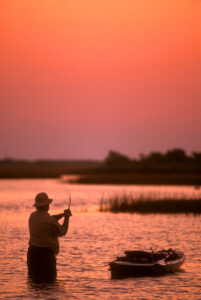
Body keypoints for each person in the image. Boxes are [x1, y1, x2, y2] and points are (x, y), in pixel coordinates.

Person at [27, 192, 72, 282]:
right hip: (46, 256)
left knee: (33, 282)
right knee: (49, 282)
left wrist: (62, 215)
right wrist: (67, 218)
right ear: (47, 205)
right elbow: (62, 232)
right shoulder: (50, 221)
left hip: (32, 253)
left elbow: (49, 219)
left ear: (37, 205)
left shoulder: (32, 216)